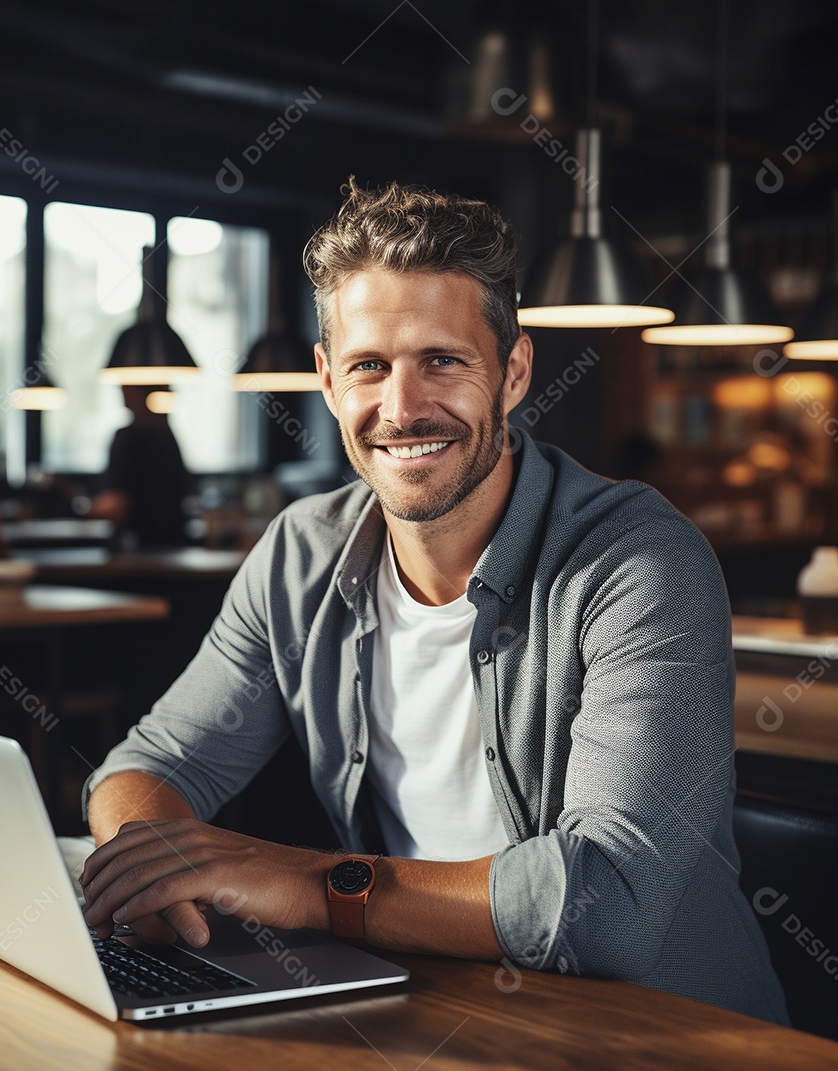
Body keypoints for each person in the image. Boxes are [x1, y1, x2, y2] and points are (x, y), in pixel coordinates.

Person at [80, 179, 789, 1025]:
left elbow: (611, 903)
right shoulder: (301, 553)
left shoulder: (638, 561)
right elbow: (150, 765)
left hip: (660, 1037)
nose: (403, 408)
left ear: (514, 371)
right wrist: (154, 868)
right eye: (369, 366)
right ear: (327, 381)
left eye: (443, 361)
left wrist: (304, 883)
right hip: (436, 1010)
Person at [89, 384, 188, 548]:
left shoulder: (128, 437)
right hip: (174, 547)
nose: (120, 388)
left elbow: (117, 507)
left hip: (137, 549)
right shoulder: (167, 435)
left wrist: (75, 505)